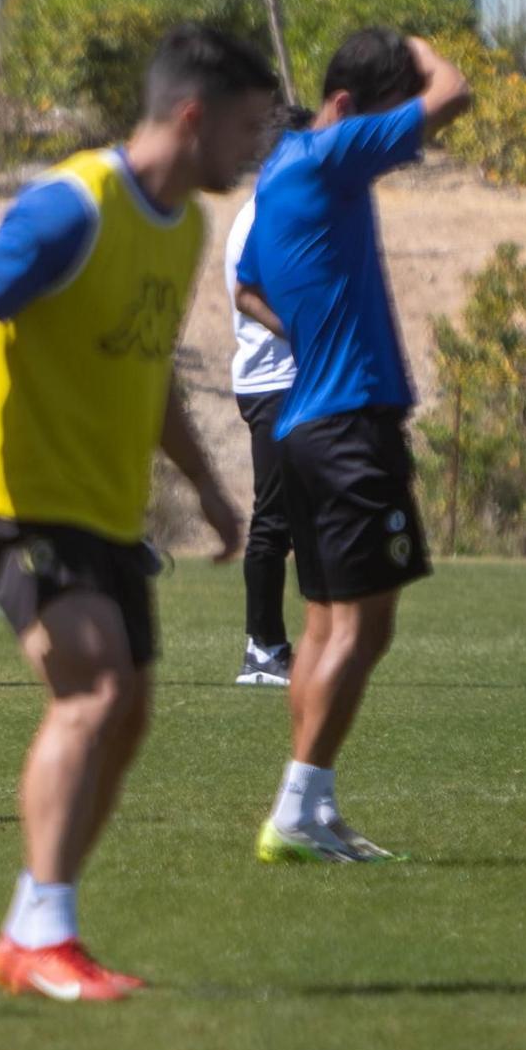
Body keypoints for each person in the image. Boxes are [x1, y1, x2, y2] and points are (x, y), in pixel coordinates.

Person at [0, 24, 270, 1001]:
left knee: (128, 708)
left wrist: (203, 485)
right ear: (190, 116)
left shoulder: (182, 225)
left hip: (108, 514)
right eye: (246, 127)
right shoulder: (71, 208)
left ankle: (37, 919)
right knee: (92, 688)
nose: (255, 149)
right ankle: (39, 935)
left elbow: (145, 367)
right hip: (19, 503)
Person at [233, 29, 471, 864]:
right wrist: (413, 39)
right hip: (349, 429)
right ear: (345, 107)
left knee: (328, 625)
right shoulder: (333, 151)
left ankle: (313, 808)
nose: (394, 136)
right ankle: (297, 807)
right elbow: (455, 91)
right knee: (364, 633)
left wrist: (310, 328)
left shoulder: (280, 171)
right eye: (382, 115)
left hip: (305, 426)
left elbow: (247, 283)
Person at [224, 187, 298, 687]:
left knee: (299, 516)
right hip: (272, 383)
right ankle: (261, 649)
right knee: (274, 516)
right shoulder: (265, 215)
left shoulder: (273, 208)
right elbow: (250, 297)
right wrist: (306, 330)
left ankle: (278, 645)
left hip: (286, 381)